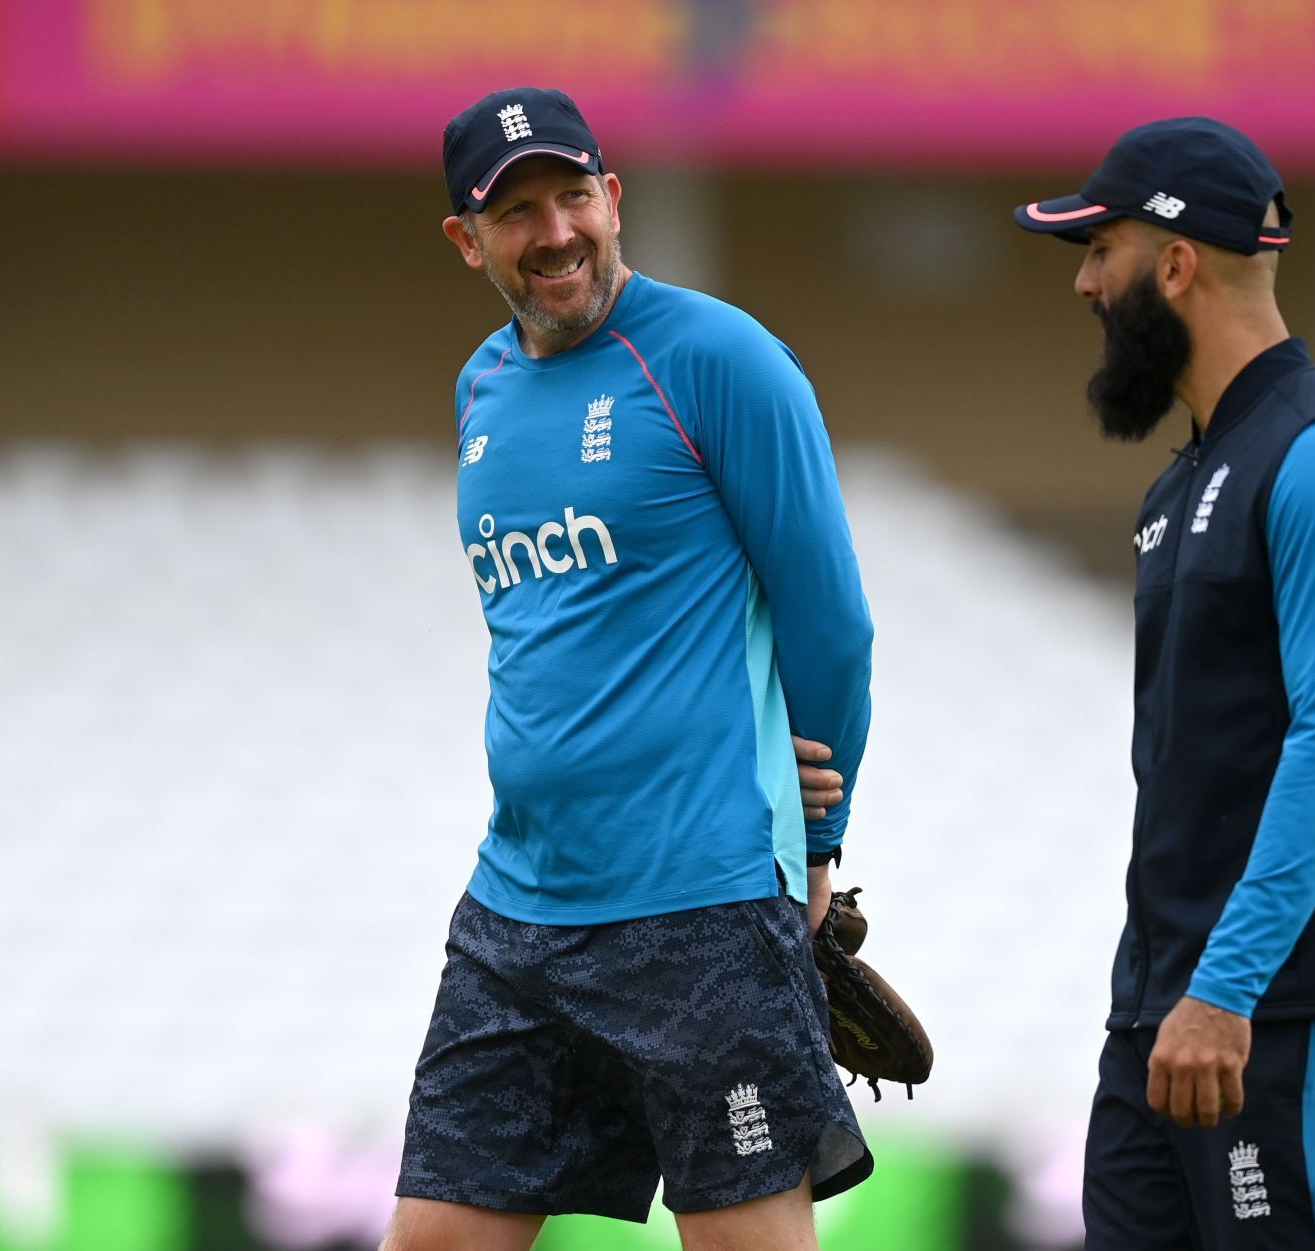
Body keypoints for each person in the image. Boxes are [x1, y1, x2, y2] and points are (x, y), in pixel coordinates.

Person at [384, 87, 874, 1251]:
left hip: (698, 905)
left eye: (572, 198)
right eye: (516, 214)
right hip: (518, 910)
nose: (554, 233)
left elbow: (831, 623)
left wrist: (817, 845)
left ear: (614, 198)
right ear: (468, 241)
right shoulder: (482, 390)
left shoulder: (719, 360)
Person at [1014, 118, 1315, 1248]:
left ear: (1173, 262)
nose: (1084, 282)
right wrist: (1171, 999)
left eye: (1097, 250)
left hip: (1279, 1011)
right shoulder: (1182, 488)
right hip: (1164, 1016)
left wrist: (1227, 989)